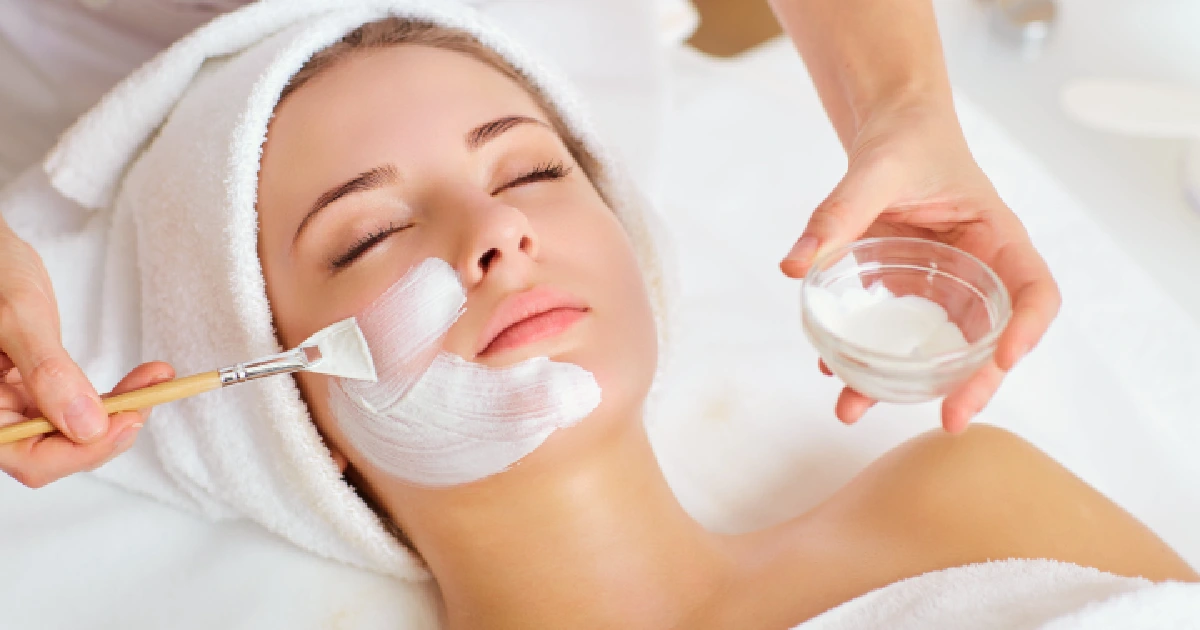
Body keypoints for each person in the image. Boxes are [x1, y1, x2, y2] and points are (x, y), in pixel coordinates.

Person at [0, 0, 1058, 493]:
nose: (498, 232)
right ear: (296, 421)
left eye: (533, 173)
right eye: (372, 234)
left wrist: (903, 107)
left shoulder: (968, 501)